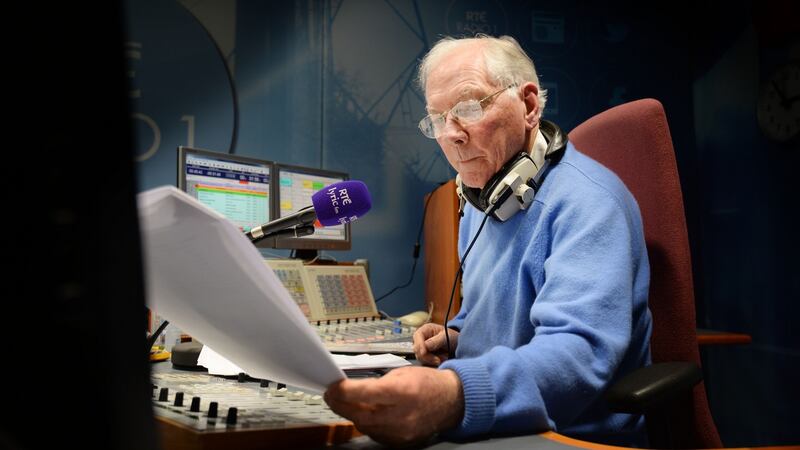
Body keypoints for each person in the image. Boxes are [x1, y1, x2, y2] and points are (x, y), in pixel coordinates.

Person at [324, 34, 652, 448]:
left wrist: (453, 395)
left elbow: (577, 356)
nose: (451, 135)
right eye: (437, 118)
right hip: (500, 420)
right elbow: (493, 317)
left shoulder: (590, 203)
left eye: (467, 108)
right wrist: (458, 336)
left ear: (528, 106)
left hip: (570, 434)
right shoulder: (483, 201)